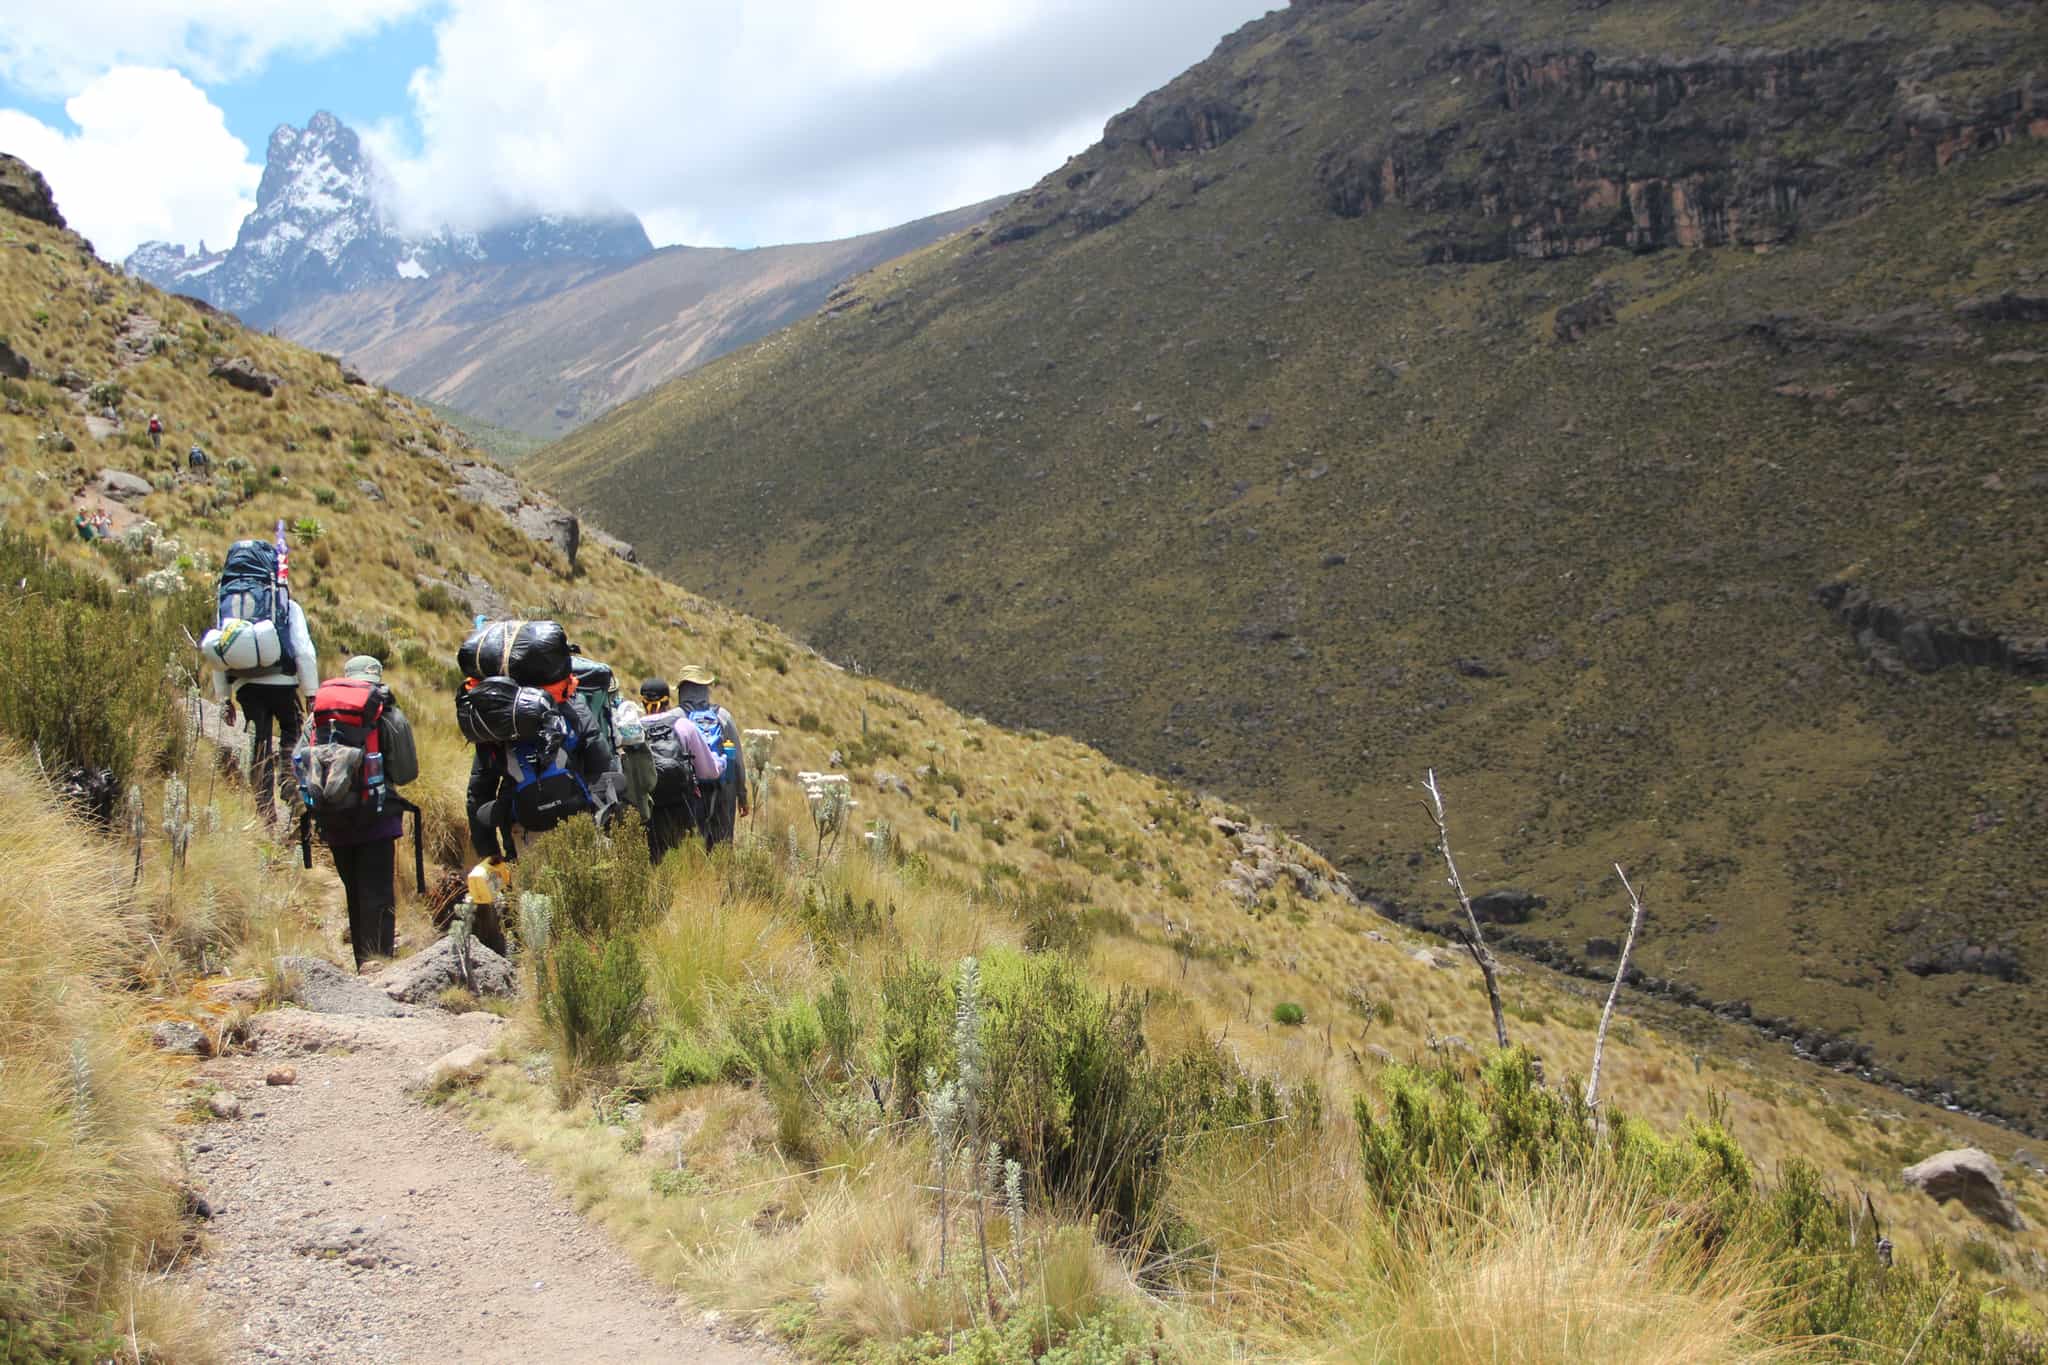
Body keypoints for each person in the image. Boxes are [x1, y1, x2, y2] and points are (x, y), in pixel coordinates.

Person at [305, 657, 417, 970]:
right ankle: (378, 967)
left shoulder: (318, 718)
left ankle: (360, 963)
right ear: (377, 679)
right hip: (377, 820)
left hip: (334, 819)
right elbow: (407, 772)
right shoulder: (389, 714)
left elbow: (300, 765)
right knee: (377, 894)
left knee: (353, 892)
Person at [464, 675, 618, 874]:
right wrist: (613, 827)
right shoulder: (572, 709)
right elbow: (604, 769)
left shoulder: (498, 725)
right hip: (579, 823)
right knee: (593, 889)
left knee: (532, 898)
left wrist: (491, 856)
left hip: (523, 833)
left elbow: (478, 795)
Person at [212, 580, 317, 830]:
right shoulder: (286, 605)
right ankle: (290, 780)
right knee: (292, 730)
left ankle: (265, 813)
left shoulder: (228, 607)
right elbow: (304, 649)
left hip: (247, 686)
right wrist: (311, 692)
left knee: (259, 745)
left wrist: (224, 698)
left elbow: (218, 651)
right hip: (284, 683)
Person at [676, 665, 749, 849]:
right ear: (705, 689)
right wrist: (742, 794)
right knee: (722, 845)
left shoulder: (676, 718)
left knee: (693, 844)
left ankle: (697, 876)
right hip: (723, 789)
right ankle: (721, 875)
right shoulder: (722, 716)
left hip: (690, 791)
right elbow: (738, 760)